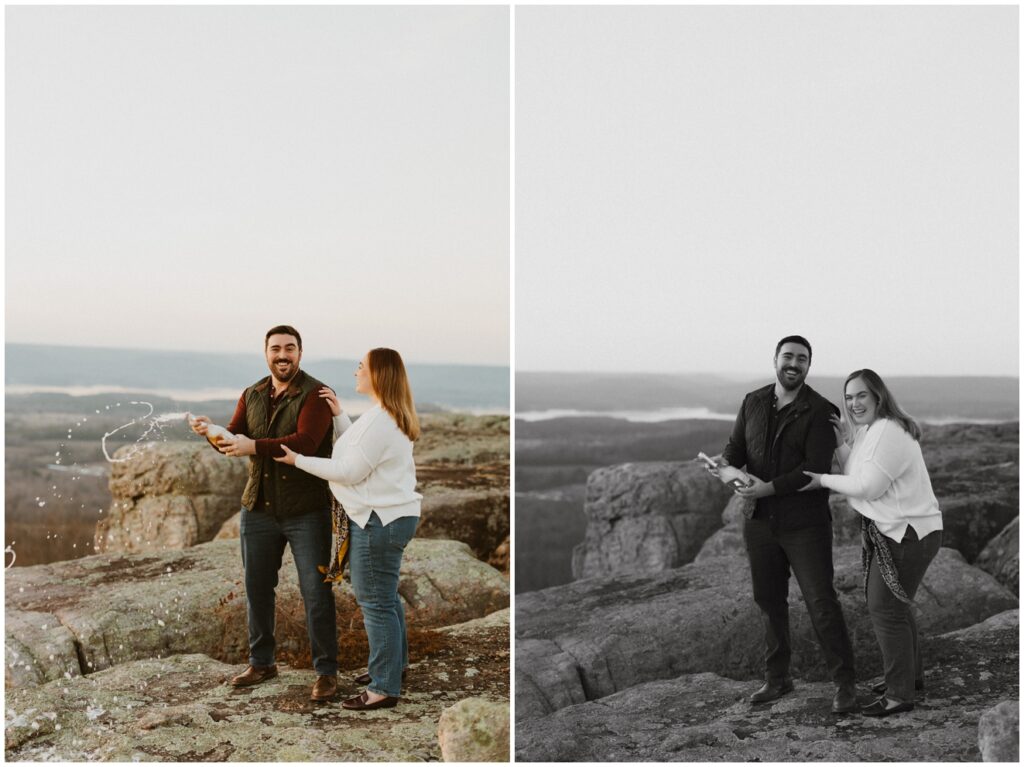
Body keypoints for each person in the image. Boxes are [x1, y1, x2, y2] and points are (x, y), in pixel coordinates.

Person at [189, 325, 338, 702]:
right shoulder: (252, 393)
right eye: (276, 349)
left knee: (315, 593)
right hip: (257, 509)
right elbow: (232, 439)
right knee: (257, 589)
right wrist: (210, 432)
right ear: (266, 353)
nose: (282, 355)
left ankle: (326, 671)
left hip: (306, 510)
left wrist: (252, 445)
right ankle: (262, 662)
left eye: (290, 348)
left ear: (300, 354)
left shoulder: (315, 395)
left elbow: (304, 443)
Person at [713, 335, 858, 713]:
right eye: (788, 356)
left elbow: (814, 468)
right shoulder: (753, 402)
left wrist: (768, 489)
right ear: (775, 359)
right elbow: (735, 450)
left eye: (802, 359)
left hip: (804, 524)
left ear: (809, 366)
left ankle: (845, 684)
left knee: (821, 602)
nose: (794, 364)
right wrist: (724, 469)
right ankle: (778, 679)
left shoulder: (821, 410)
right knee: (769, 602)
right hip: (759, 523)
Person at [275, 347, 422, 711]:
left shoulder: (384, 419)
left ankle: (384, 687)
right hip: (388, 516)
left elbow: (348, 470)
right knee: (385, 598)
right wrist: (340, 417)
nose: (356, 372)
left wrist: (298, 460)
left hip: (377, 519)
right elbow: (355, 450)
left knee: (375, 602)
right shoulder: (384, 415)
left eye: (362, 367)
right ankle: (394, 667)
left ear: (378, 375)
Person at [802, 369, 942, 717]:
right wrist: (840, 442)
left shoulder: (889, 432)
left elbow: (868, 487)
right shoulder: (870, 431)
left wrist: (821, 480)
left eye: (861, 395)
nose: (853, 403)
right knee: (896, 606)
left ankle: (899, 694)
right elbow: (856, 473)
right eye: (849, 397)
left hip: (908, 533)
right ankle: (910, 680)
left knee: (885, 609)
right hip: (899, 530)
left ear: (878, 396)